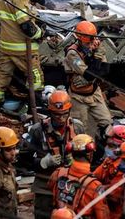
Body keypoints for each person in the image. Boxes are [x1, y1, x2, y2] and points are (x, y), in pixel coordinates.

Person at [27, 90, 86, 219]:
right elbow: (22, 161)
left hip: (70, 187)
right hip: (45, 188)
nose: (61, 118)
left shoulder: (77, 128)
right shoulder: (37, 131)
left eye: (64, 114)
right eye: (57, 115)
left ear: (69, 111)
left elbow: (88, 157)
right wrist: (43, 162)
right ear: (50, 112)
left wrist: (76, 161)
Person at [64, 21, 112, 137]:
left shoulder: (97, 49)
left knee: (107, 123)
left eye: (91, 42)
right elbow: (89, 74)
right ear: (79, 40)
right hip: (78, 96)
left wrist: (98, 55)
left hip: (94, 92)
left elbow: (105, 71)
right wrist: (96, 63)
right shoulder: (72, 54)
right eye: (87, 43)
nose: (90, 46)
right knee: (81, 130)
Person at [48, 134, 109, 219]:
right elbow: (103, 215)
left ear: (72, 153)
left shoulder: (58, 173)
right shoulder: (95, 185)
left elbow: (50, 188)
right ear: (90, 155)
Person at [93, 125, 125, 218]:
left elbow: (114, 194)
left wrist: (97, 188)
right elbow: (95, 175)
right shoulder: (109, 160)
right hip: (106, 208)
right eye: (107, 144)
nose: (107, 148)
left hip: (117, 213)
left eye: (111, 146)